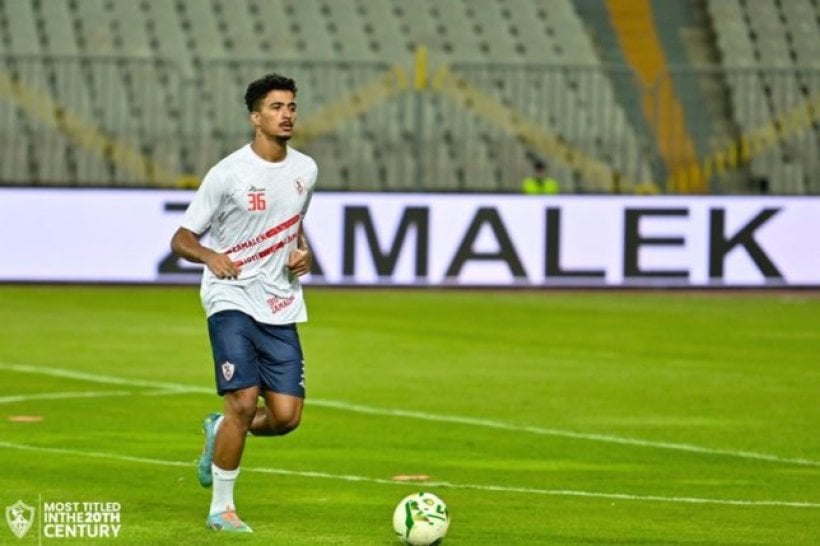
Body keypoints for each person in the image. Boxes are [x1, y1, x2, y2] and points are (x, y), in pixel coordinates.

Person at [170, 73, 318, 533]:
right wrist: (210, 255)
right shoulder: (228, 173)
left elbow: (293, 227)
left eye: (291, 106)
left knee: (286, 417)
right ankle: (222, 509)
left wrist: (303, 254)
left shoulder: (306, 170)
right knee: (243, 401)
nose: (286, 114)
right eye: (276, 107)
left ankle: (220, 432)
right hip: (230, 296)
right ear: (255, 117)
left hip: (279, 302)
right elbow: (181, 238)